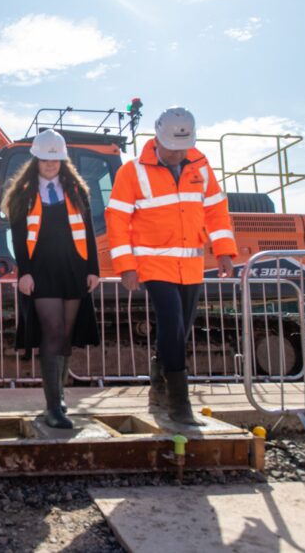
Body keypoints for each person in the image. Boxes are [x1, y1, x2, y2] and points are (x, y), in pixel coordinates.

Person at [106, 106, 236, 425]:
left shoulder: (201, 166)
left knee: (181, 328)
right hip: (152, 264)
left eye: (183, 148)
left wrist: (224, 251)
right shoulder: (132, 172)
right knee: (172, 320)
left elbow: (216, 211)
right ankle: (180, 404)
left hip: (191, 265)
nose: (178, 154)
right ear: (157, 138)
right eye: (172, 148)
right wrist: (126, 266)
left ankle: (158, 386)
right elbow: (117, 219)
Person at [2, 129, 100, 429]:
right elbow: (19, 235)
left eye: (55, 160)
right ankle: (53, 406)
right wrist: (24, 271)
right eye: (45, 159)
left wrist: (93, 269)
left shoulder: (76, 190)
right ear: (36, 159)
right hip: (41, 270)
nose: (50, 164)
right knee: (53, 332)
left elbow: (89, 230)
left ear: (62, 161)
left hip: (73, 268)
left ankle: (58, 397)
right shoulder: (24, 192)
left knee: (65, 336)